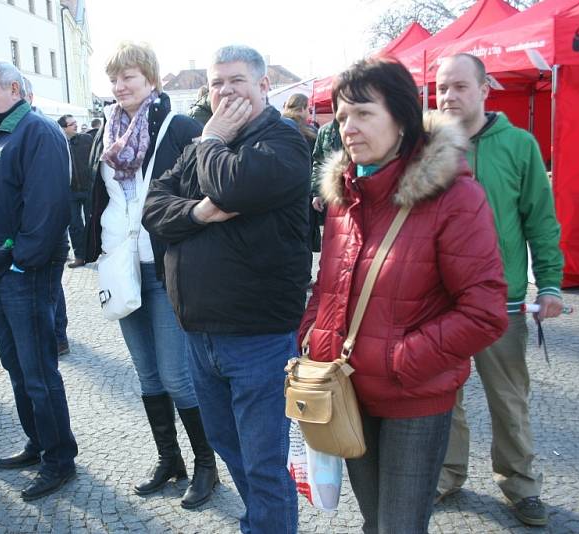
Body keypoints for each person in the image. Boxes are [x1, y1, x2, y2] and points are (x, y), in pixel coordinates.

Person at [296, 58, 508, 533]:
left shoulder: (454, 196)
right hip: (346, 388)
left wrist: (399, 359)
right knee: (375, 522)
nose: (348, 127)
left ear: (403, 117)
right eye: (342, 115)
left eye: (364, 113)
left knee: (400, 527)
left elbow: (485, 311)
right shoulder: (346, 195)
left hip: (413, 397)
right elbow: (329, 283)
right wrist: (312, 336)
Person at [142, 44, 310, 533]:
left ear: (263, 85)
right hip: (200, 332)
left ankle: (268, 524)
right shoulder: (205, 145)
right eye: (216, 83)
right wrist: (196, 212)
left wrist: (212, 139)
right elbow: (154, 207)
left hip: (257, 336)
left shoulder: (283, 140)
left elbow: (234, 188)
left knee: (263, 460)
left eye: (236, 80)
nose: (225, 91)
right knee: (226, 442)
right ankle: (259, 519)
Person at [84, 42, 217, 510]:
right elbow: (98, 197)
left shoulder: (178, 127)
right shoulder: (107, 131)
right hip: (120, 264)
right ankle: (170, 459)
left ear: (151, 80)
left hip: (164, 267)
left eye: (130, 78)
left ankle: (206, 465)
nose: (121, 87)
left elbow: (204, 190)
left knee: (178, 377)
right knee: (147, 376)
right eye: (115, 79)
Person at [435, 53, 564, 527]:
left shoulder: (519, 144)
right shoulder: (426, 144)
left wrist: (548, 281)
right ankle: (446, 475)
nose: (448, 96)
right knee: (442, 398)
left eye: (459, 87)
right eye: (441, 88)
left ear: (485, 88)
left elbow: (540, 220)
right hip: (438, 301)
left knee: (508, 399)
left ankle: (519, 483)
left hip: (500, 301)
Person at [0, 59, 77, 501]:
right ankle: (39, 442)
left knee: (38, 370)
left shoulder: (36, 131)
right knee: (15, 366)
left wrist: (19, 262)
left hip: (23, 275)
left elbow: (47, 208)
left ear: (13, 88)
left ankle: (59, 458)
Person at [22, 77, 70, 356]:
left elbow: (54, 189)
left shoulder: (45, 130)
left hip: (47, 232)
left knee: (51, 289)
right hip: (29, 233)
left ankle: (58, 335)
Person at [282, 93, 320, 255]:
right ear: (303, 108)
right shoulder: (310, 132)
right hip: (304, 192)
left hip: (283, 193)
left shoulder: (276, 127)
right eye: (308, 109)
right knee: (304, 237)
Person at [57, 114, 93, 269]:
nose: (76, 126)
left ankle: (94, 252)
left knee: (92, 221)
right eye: (72, 124)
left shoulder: (86, 139)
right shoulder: (58, 143)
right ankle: (80, 256)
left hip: (88, 188)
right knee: (75, 225)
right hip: (70, 191)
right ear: (64, 128)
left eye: (75, 123)